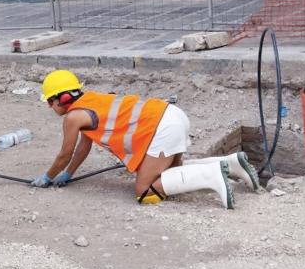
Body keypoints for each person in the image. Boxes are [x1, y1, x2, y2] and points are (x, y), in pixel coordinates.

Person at [31, 70, 260, 208]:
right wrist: (69, 174)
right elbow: (83, 147)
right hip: (171, 115)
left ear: (61, 98)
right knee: (170, 172)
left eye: (50, 102)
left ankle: (211, 176)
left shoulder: (73, 117)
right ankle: (229, 164)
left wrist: (48, 177)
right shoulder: (91, 100)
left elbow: (65, 154)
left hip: (162, 127)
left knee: (145, 191)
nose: (50, 107)